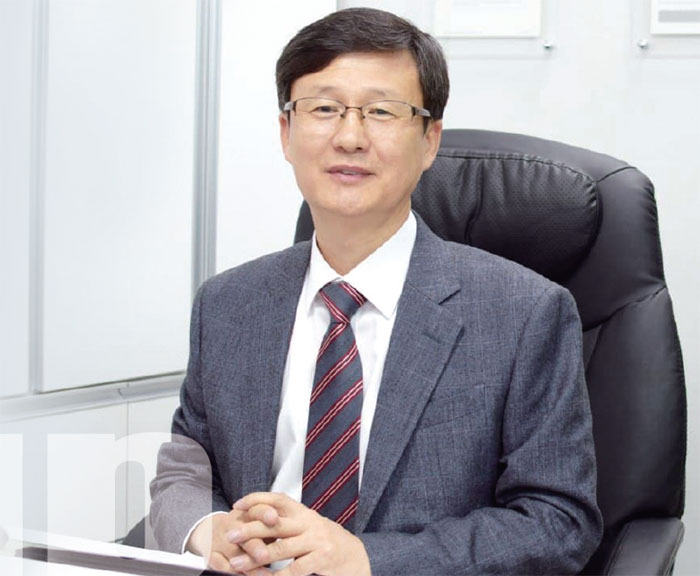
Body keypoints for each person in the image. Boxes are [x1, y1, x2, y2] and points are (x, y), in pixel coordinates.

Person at [150, 7, 602, 575]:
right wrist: (207, 529)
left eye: (382, 111)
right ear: (286, 132)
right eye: (323, 108)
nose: (349, 137)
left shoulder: (524, 313)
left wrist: (367, 559)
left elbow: (558, 523)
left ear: (430, 140)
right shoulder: (228, 304)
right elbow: (187, 465)